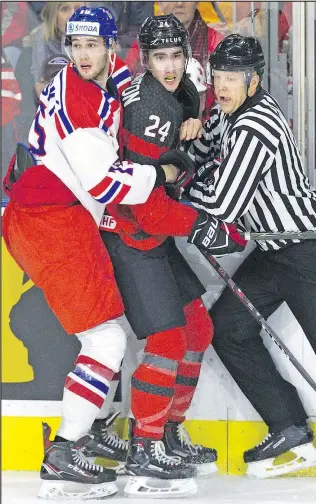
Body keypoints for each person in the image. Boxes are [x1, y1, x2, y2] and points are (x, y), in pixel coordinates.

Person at [2, 6, 187, 500]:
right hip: (48, 222)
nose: (83, 55)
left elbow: (129, 82)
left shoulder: (101, 78)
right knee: (105, 342)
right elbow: (106, 184)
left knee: (111, 333)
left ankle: (97, 433)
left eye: (92, 45)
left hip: (55, 216)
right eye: (75, 46)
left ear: (109, 47)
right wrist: (164, 175)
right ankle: (63, 452)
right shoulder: (81, 100)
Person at [187, 34, 316, 479]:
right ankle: (290, 429)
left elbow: (223, 205)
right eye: (217, 76)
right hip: (275, 249)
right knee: (227, 328)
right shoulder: (227, 112)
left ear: (253, 80)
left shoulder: (256, 126)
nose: (222, 85)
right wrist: (189, 140)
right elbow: (200, 152)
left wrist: (180, 186)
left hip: (308, 247)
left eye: (232, 77)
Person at [97, 14, 245, 498]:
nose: (170, 66)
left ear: (187, 55)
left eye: (176, 56)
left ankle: (168, 432)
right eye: (159, 57)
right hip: (131, 234)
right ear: (144, 59)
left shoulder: (184, 94)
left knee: (197, 328)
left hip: (152, 234)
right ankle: (145, 448)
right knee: (166, 340)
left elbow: (175, 166)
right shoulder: (148, 109)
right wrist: (204, 225)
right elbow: (145, 199)